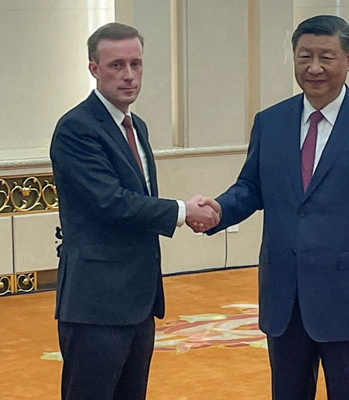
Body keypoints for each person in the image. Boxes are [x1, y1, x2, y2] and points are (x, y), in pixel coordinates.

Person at [201, 15, 349, 400]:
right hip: (285, 293)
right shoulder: (270, 122)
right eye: (305, 57)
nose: (314, 68)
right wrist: (217, 210)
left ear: (348, 60)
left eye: (326, 57)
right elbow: (251, 187)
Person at [49, 22, 219, 400]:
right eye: (117, 65)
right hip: (95, 304)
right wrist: (182, 210)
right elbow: (111, 203)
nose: (129, 75)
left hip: (138, 302)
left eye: (136, 64)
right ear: (93, 68)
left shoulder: (135, 126)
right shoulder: (76, 129)